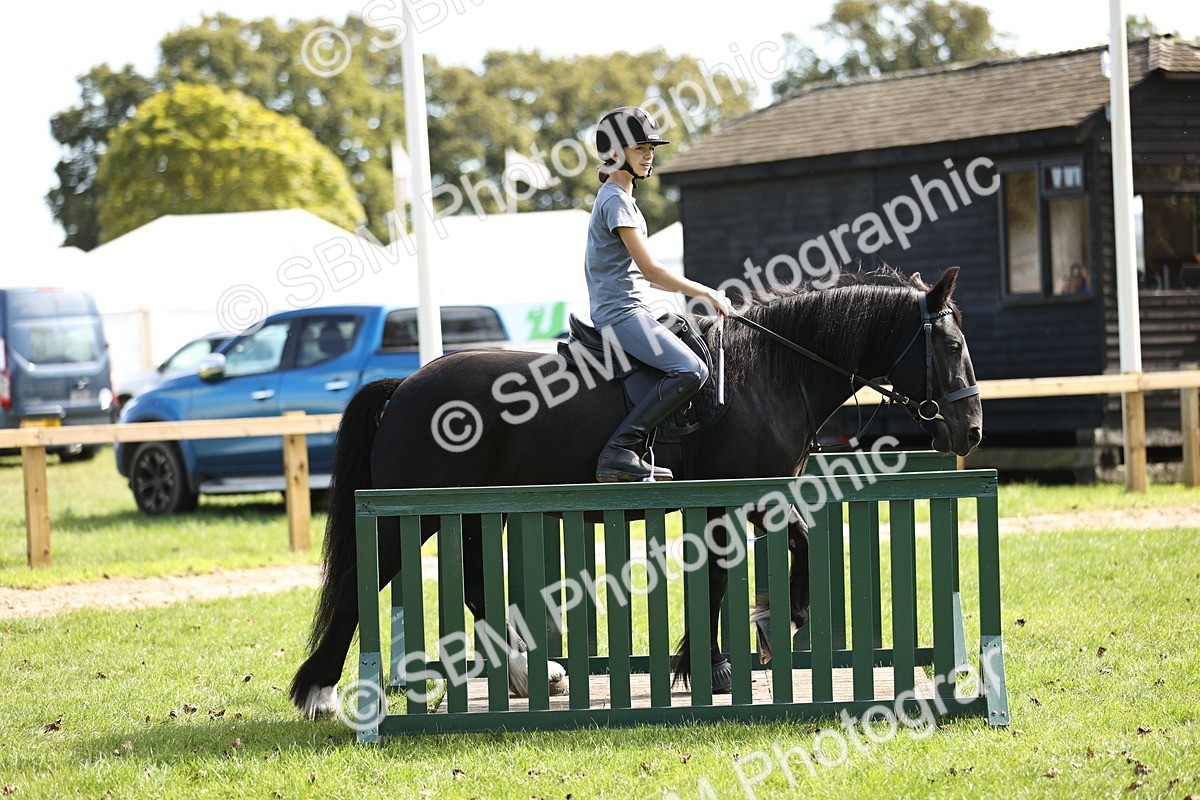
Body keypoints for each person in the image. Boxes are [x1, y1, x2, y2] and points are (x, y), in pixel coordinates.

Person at [585, 106, 733, 483]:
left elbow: (644, 277)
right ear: (616, 153)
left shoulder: (621, 198)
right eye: (640, 147)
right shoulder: (616, 200)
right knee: (691, 369)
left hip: (634, 307)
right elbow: (652, 271)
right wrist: (708, 293)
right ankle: (621, 450)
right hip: (621, 314)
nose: (649, 153)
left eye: (651, 146)